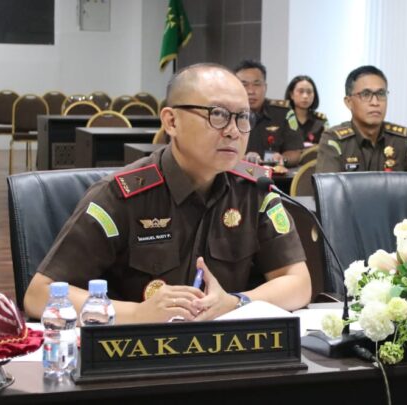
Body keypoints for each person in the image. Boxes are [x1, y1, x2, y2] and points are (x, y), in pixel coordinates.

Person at [23, 63, 312, 323]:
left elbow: (298, 283)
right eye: (218, 115)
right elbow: (39, 295)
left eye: (243, 117)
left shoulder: (254, 190)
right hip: (140, 354)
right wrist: (137, 314)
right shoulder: (121, 196)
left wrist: (236, 302)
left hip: (225, 352)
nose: (234, 131)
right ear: (172, 121)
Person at [316, 65, 407, 173]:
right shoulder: (334, 140)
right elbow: (328, 186)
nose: (375, 102)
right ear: (349, 102)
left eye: (381, 94)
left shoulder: (402, 139)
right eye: (366, 94)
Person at [234, 60, 304, 167]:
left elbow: (295, 151)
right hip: (236, 174)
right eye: (244, 85)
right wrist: (241, 159)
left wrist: (282, 159)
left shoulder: (283, 113)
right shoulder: (226, 115)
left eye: (256, 84)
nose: (251, 91)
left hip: (274, 175)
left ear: (265, 87)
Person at [285, 75, 328, 145]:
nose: (305, 96)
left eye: (309, 92)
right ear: (291, 94)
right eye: (301, 91)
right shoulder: (284, 119)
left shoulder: (320, 120)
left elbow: (326, 146)